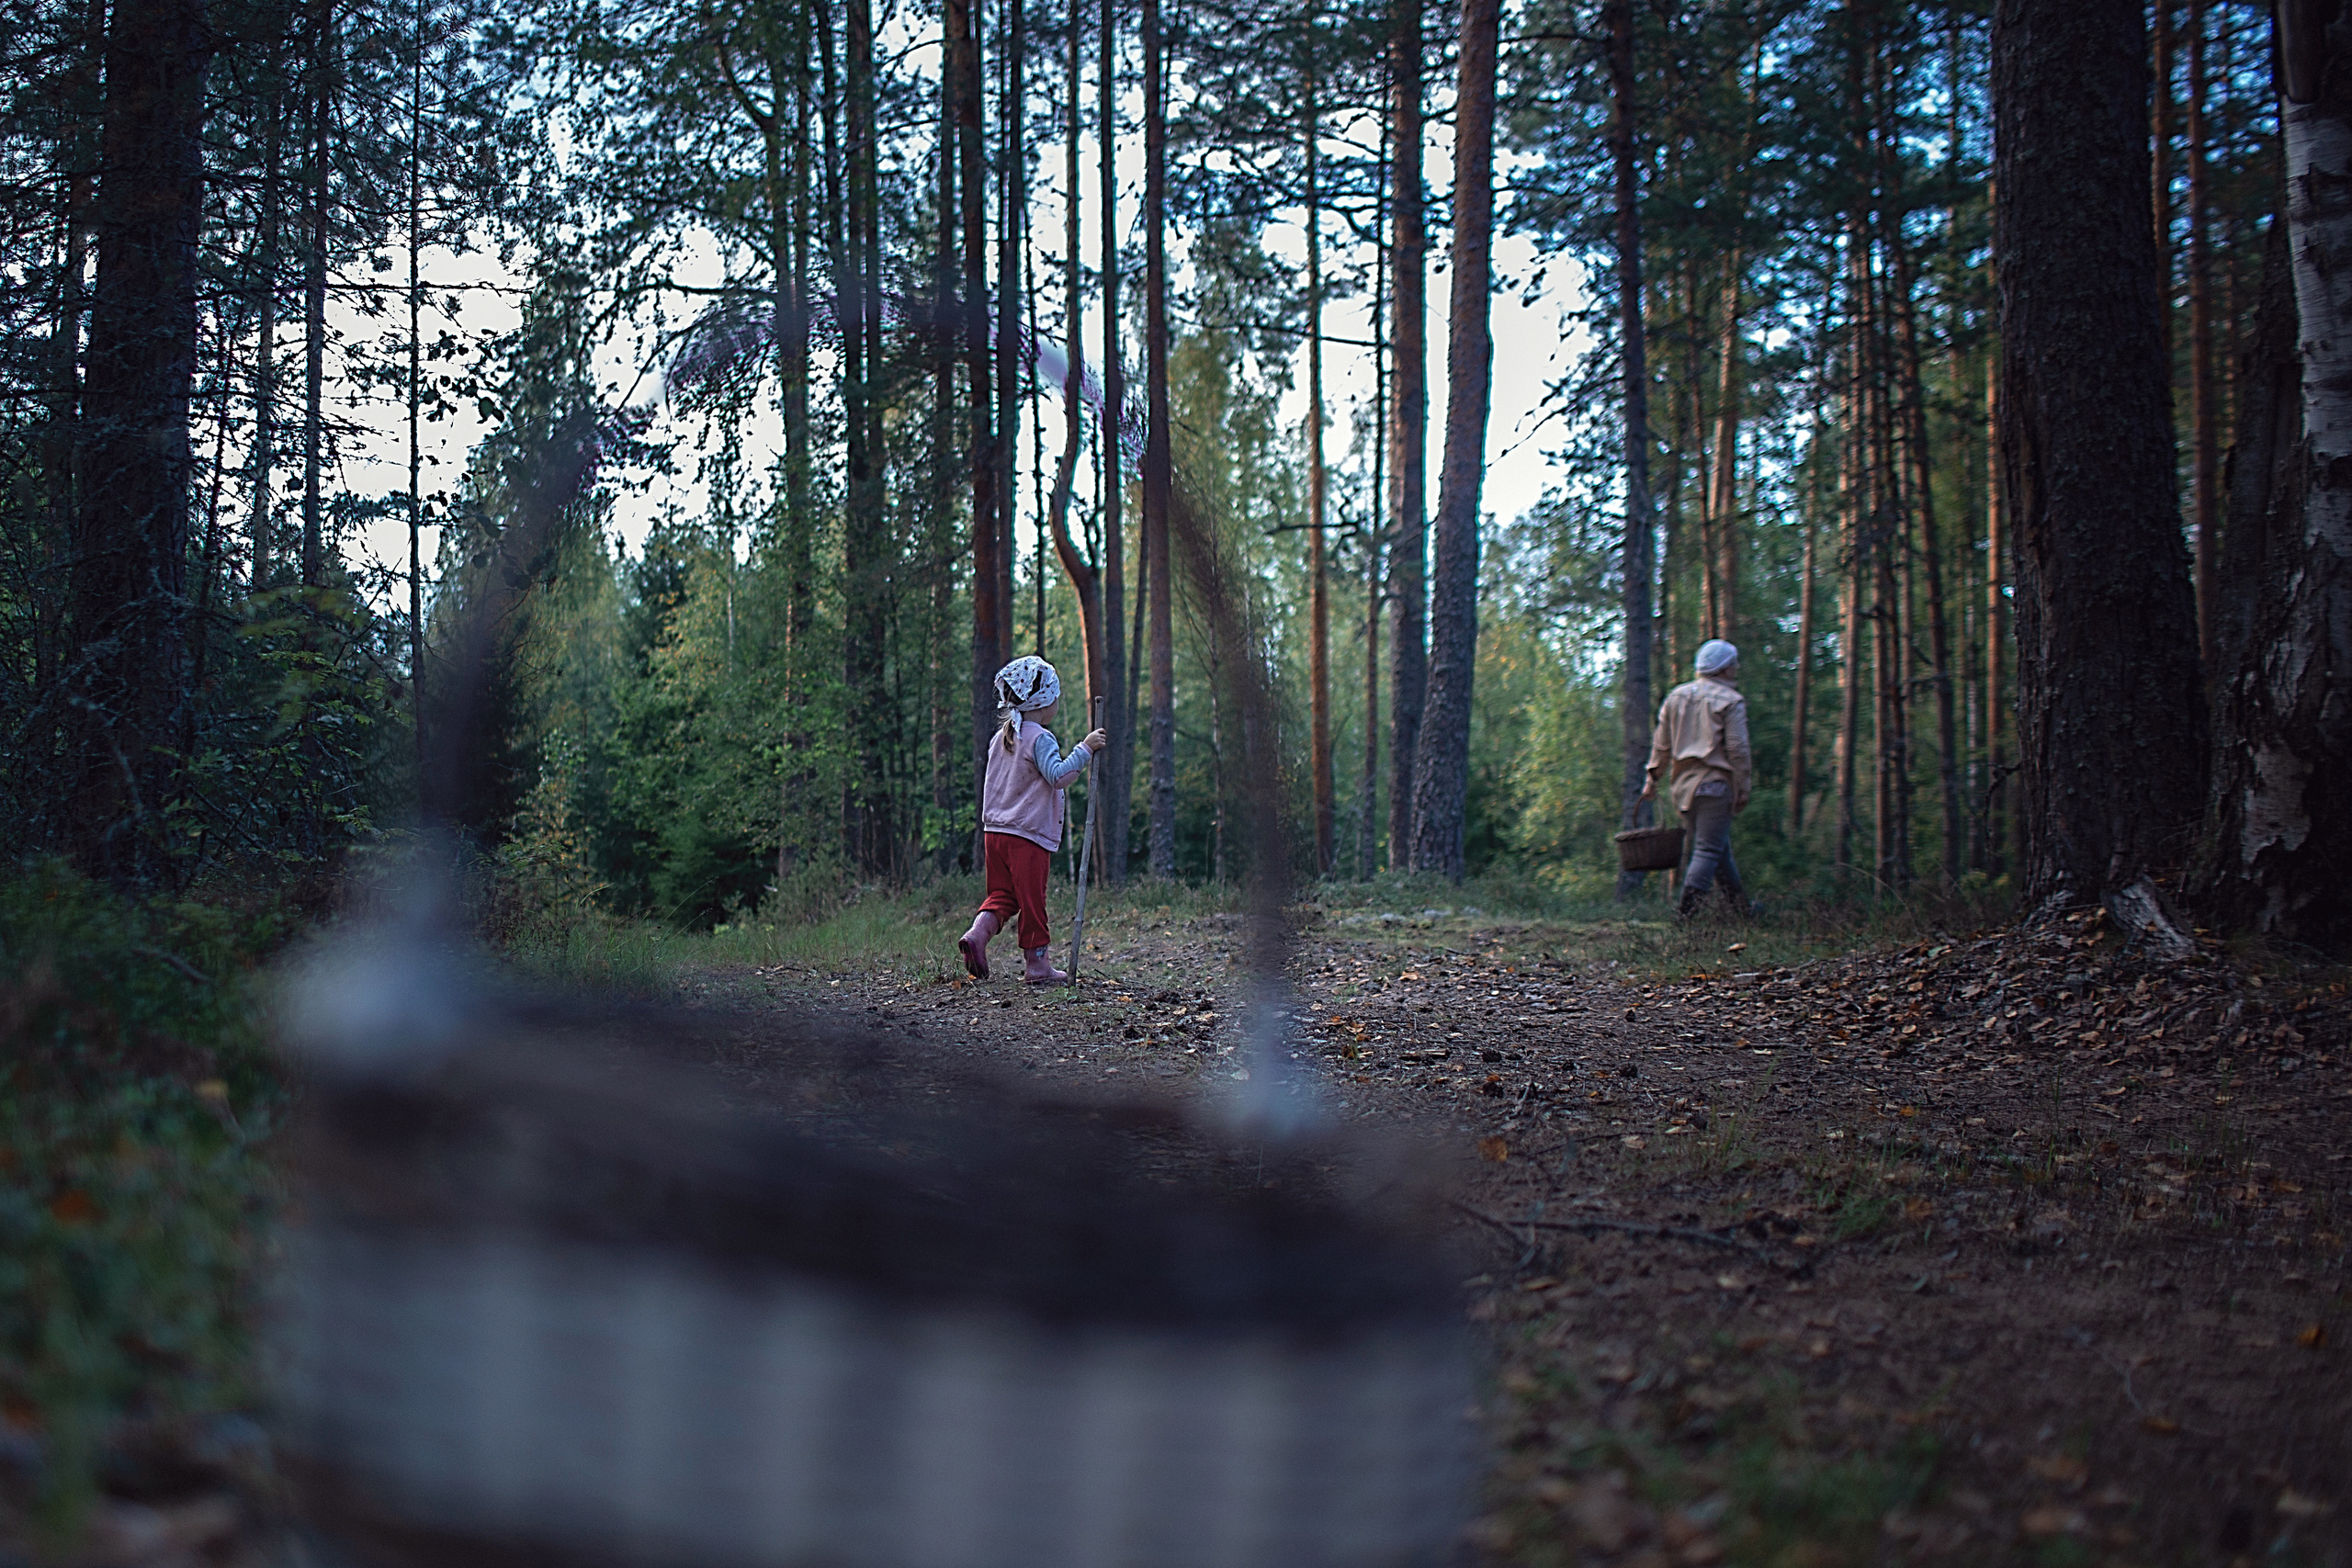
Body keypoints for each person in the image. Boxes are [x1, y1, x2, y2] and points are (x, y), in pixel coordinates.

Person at [957, 656, 1108, 985]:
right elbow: (1058, 776)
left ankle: (977, 936)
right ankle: (1037, 966)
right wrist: (1085, 748)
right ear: (1043, 703)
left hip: (995, 832)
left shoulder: (1002, 737)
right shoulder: (1040, 737)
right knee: (1032, 900)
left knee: (1003, 895)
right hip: (1026, 835)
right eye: (1055, 696)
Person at [1642, 637, 1753, 919]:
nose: (1737, 667)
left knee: (1718, 849)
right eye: (1733, 663)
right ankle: (1686, 917)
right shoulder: (1731, 701)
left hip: (1683, 788)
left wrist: (1652, 779)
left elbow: (1661, 744)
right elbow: (1738, 748)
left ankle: (1742, 912)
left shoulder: (1676, 696)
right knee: (1707, 849)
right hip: (1715, 786)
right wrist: (1743, 784)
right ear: (1725, 669)